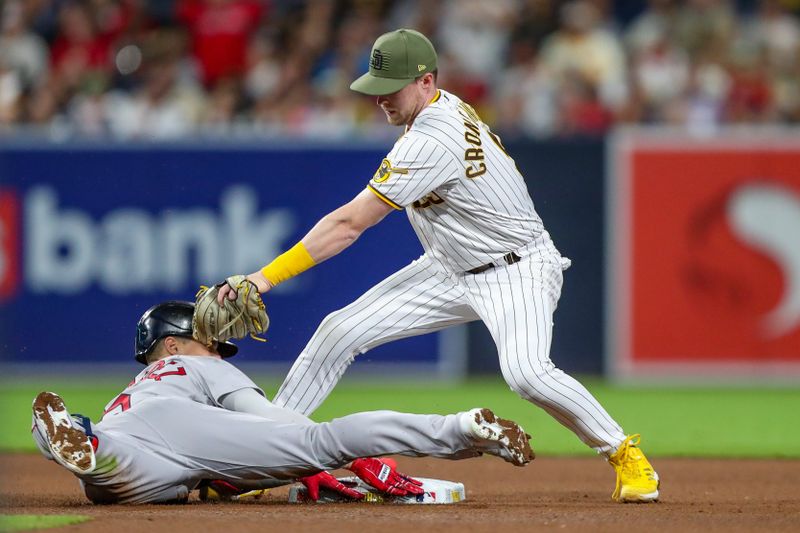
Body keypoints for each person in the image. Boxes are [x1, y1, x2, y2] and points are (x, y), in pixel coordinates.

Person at [218, 28, 659, 503]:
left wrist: (265, 278)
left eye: (394, 87)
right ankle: (264, 456)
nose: (382, 98)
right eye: (378, 87)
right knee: (338, 331)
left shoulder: (430, 140)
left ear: (427, 81)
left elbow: (348, 224)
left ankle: (623, 452)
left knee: (526, 373)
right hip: (450, 266)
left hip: (516, 269)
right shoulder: (437, 106)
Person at [31, 300, 533, 505]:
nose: (217, 348)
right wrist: (333, 456)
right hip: (177, 428)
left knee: (107, 473)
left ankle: (77, 434)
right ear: (172, 345)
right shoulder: (195, 365)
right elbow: (266, 418)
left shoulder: (134, 389)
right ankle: (460, 428)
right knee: (322, 440)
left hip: (133, 448)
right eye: (207, 339)